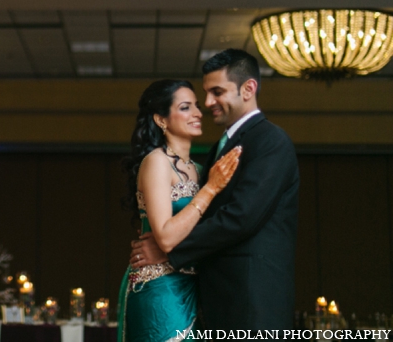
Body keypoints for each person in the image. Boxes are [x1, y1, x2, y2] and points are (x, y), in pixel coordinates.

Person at [130, 49, 300, 333]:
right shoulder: (218, 148)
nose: (207, 104)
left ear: (248, 89)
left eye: (217, 92)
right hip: (214, 298)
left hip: (252, 299)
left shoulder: (270, 141)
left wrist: (168, 252)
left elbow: (241, 217)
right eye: (205, 94)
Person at [117, 79, 242, 342]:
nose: (198, 113)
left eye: (196, 106)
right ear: (161, 119)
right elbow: (165, 237)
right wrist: (210, 189)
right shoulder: (157, 163)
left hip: (195, 288)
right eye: (186, 107)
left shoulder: (200, 170)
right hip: (160, 289)